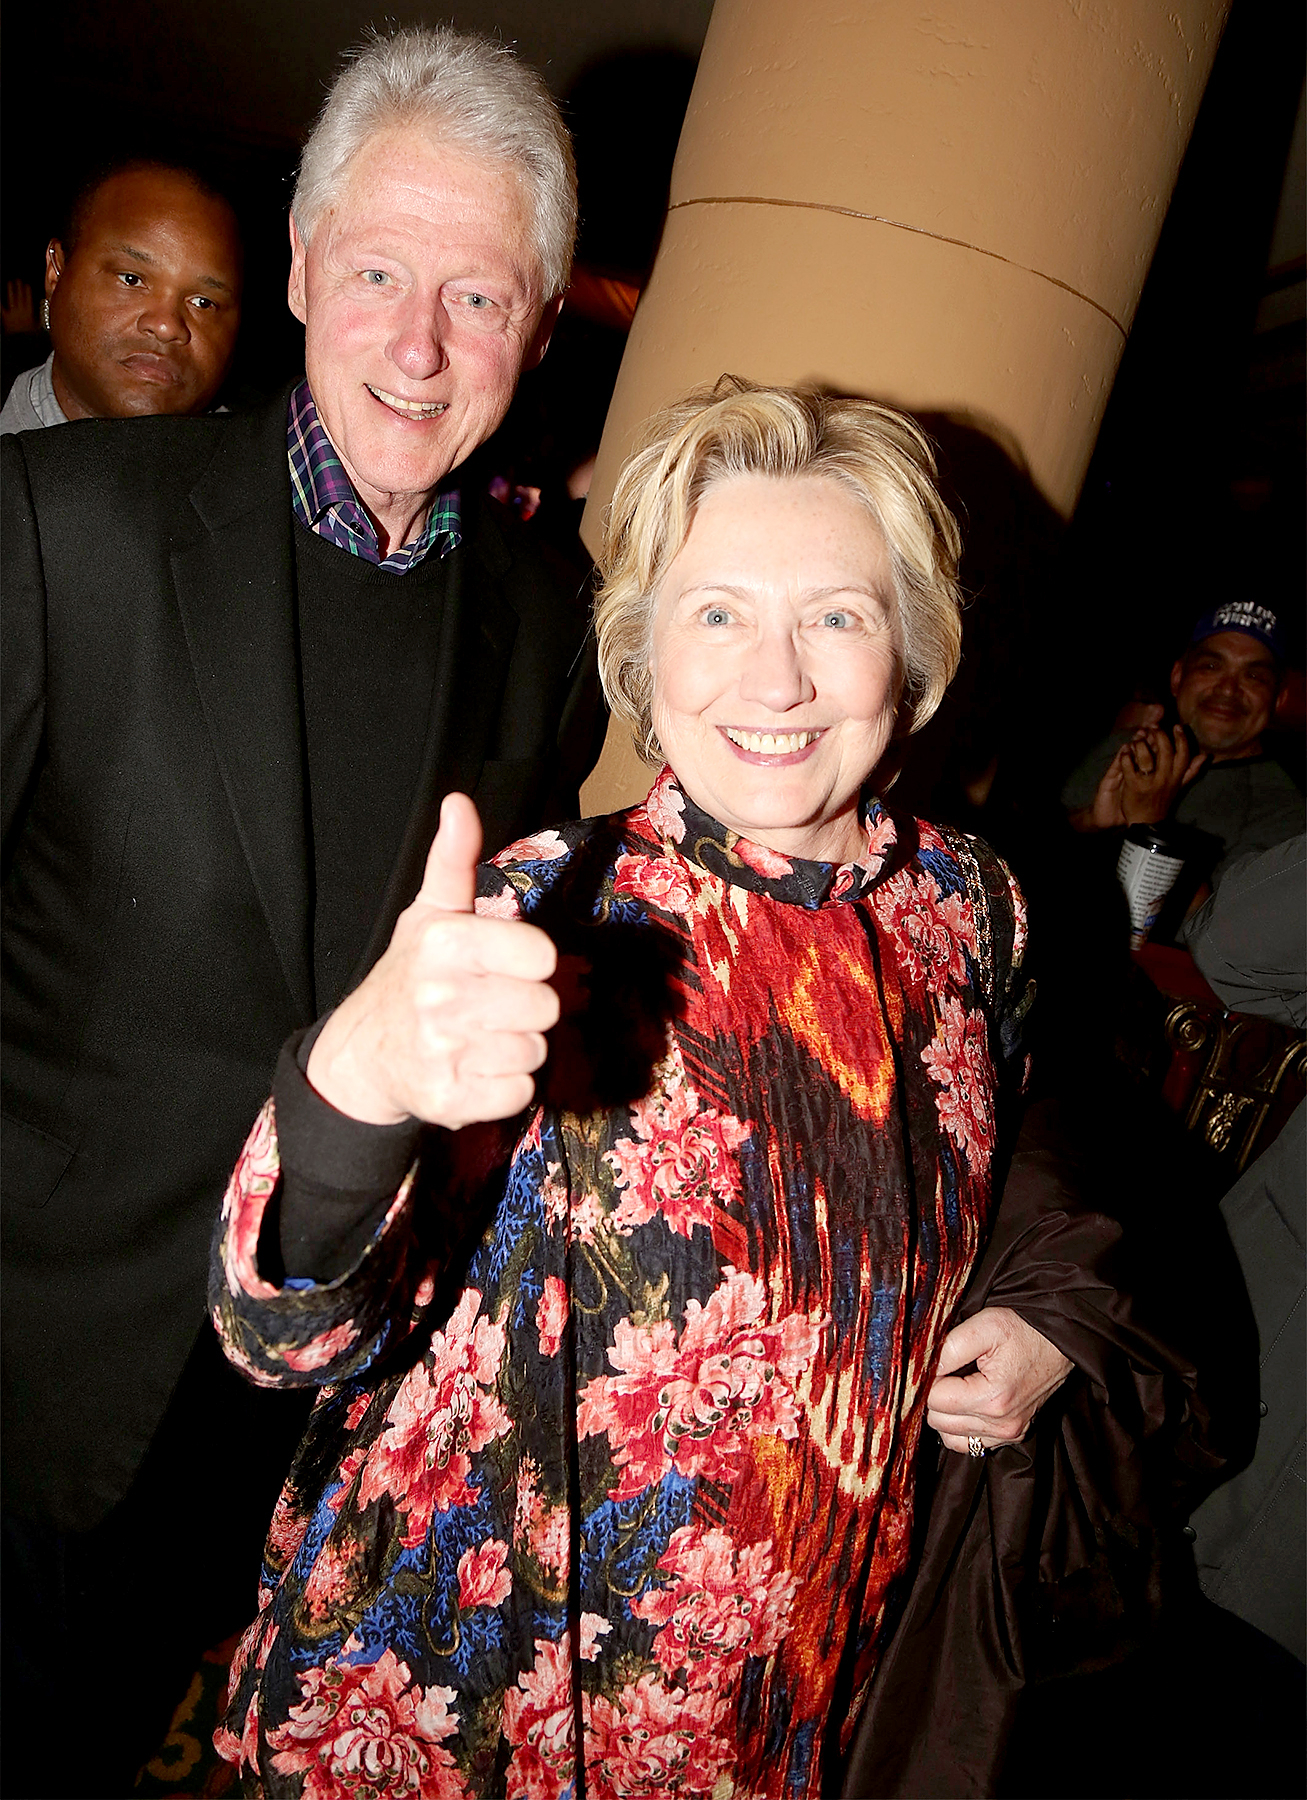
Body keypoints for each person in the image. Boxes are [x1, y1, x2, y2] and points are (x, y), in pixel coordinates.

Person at [208, 381, 1213, 1798]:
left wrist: (1044, 1310)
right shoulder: (548, 910)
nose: (775, 680)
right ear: (644, 650)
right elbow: (278, 1335)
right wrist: (352, 1090)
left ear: (910, 660)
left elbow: (1034, 1156)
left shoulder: (971, 905)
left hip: (794, 1684)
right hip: (473, 1692)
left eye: (836, 616)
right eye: (718, 612)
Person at [2, 27, 599, 1797]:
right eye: (378, 274)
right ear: (299, 267)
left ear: (541, 327)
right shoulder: (59, 529)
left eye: (478, 297)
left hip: (266, 1424)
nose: (417, 347)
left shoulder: (545, 623)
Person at [1061, 601, 1302, 879]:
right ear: (1177, 678)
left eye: (1254, 676)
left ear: (1278, 699)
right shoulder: (1123, 749)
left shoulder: (1287, 814)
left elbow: (1230, 919)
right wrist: (1089, 822)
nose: (1227, 688)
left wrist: (1148, 823)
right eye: (1211, 666)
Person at [0, 159, 243, 434]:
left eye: (203, 302)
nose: (166, 326)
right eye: (132, 279)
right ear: (56, 274)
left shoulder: (269, 463)